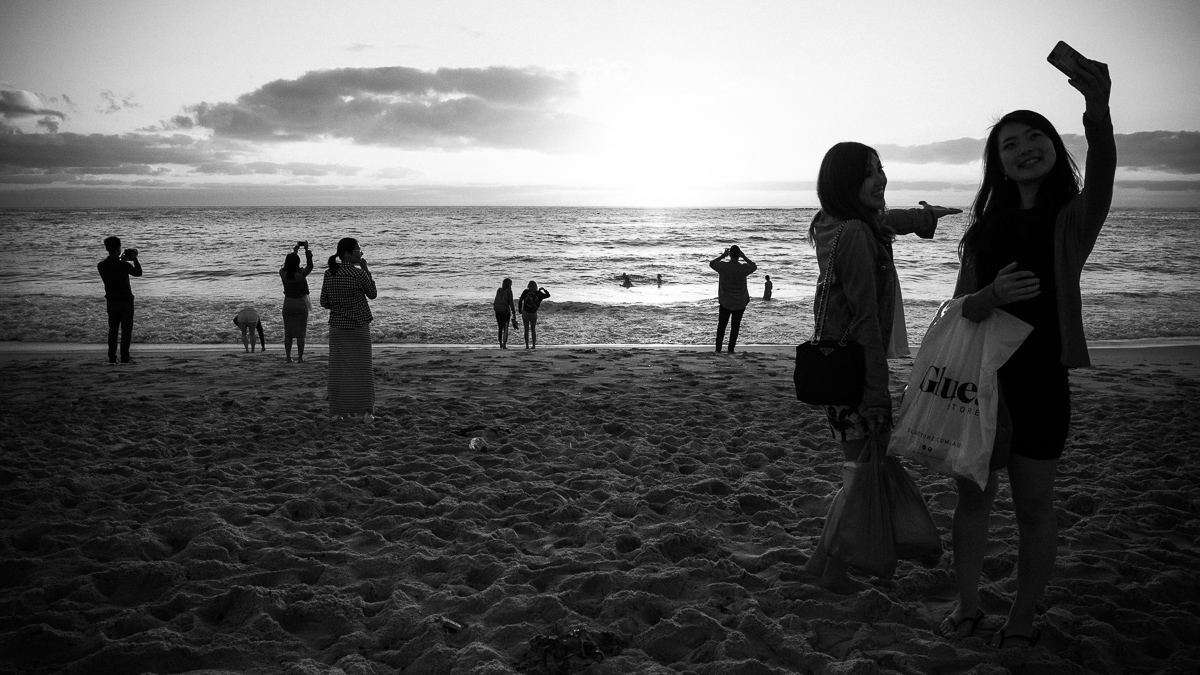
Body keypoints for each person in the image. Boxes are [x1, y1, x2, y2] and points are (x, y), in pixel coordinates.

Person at [941, 57, 1114, 648]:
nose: (1024, 148)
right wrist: (991, 294)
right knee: (973, 498)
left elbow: (1105, 173)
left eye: (1035, 135)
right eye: (1009, 143)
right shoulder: (983, 229)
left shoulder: (1072, 220)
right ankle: (968, 604)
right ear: (998, 163)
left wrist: (1098, 110)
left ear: (1053, 147)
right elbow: (958, 309)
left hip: (1042, 383)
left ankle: (1020, 617)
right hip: (983, 385)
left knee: (1034, 507)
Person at [801, 141, 961, 593]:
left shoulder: (841, 222)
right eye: (868, 172)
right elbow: (865, 321)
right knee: (861, 478)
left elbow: (893, 220)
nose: (880, 178)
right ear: (844, 182)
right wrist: (876, 393)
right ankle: (831, 575)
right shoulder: (855, 234)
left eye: (881, 168)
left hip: (841, 368)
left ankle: (821, 567)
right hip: (856, 374)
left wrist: (929, 217)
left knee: (860, 474)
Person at [320, 238, 378, 422]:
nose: (361, 253)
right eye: (358, 250)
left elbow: (324, 301)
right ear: (347, 253)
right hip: (359, 328)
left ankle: (337, 412)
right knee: (363, 371)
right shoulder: (358, 274)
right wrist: (366, 270)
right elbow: (372, 294)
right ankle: (366, 412)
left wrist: (340, 307)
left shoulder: (329, 274)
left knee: (338, 371)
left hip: (338, 327)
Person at [97, 236, 143, 364]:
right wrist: (134, 259)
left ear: (107, 249)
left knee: (113, 330)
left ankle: (112, 357)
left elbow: (113, 268)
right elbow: (138, 273)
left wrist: (121, 260)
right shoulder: (124, 265)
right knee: (126, 331)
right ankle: (125, 357)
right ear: (119, 248)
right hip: (126, 301)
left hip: (111, 301)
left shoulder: (101, 265)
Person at [708, 245, 758, 353]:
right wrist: (744, 257)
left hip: (726, 301)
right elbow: (754, 266)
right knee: (735, 327)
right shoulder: (743, 268)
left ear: (730, 255)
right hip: (740, 302)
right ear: (739, 255)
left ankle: (718, 349)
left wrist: (722, 256)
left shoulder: (723, 266)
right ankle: (731, 349)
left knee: (722, 326)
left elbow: (711, 263)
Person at [280, 241, 314, 362]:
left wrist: (294, 251)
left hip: (288, 302)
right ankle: (300, 358)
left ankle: (288, 357)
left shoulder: (282, 273)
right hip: (300, 302)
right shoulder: (301, 274)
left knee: (288, 333)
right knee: (301, 333)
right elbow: (310, 266)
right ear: (298, 262)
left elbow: (288, 265)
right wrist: (306, 250)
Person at [518, 281, 551, 349]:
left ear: (529, 286)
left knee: (526, 329)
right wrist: (543, 290)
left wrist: (519, 310)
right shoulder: (539, 293)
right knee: (533, 329)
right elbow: (548, 295)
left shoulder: (526, 292)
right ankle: (533, 345)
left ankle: (527, 346)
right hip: (533, 313)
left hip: (525, 312)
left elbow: (520, 300)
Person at [493, 277, 519, 349]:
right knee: (506, 328)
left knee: (500, 328)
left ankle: (500, 344)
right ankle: (504, 345)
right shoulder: (509, 291)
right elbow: (511, 302)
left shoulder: (499, 290)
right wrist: (513, 312)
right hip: (505, 311)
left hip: (498, 311)